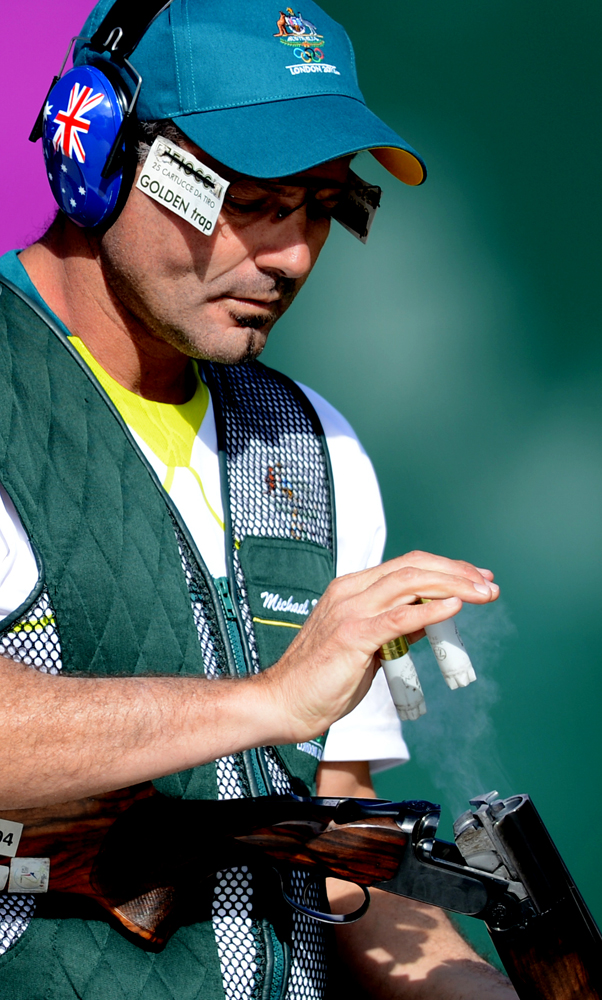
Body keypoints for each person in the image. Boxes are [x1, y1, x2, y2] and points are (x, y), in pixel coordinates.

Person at [0, 1, 516, 997]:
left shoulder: (316, 445)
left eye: (321, 206)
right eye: (252, 201)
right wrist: (268, 702)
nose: (292, 257)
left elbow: (339, 850)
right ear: (94, 149)